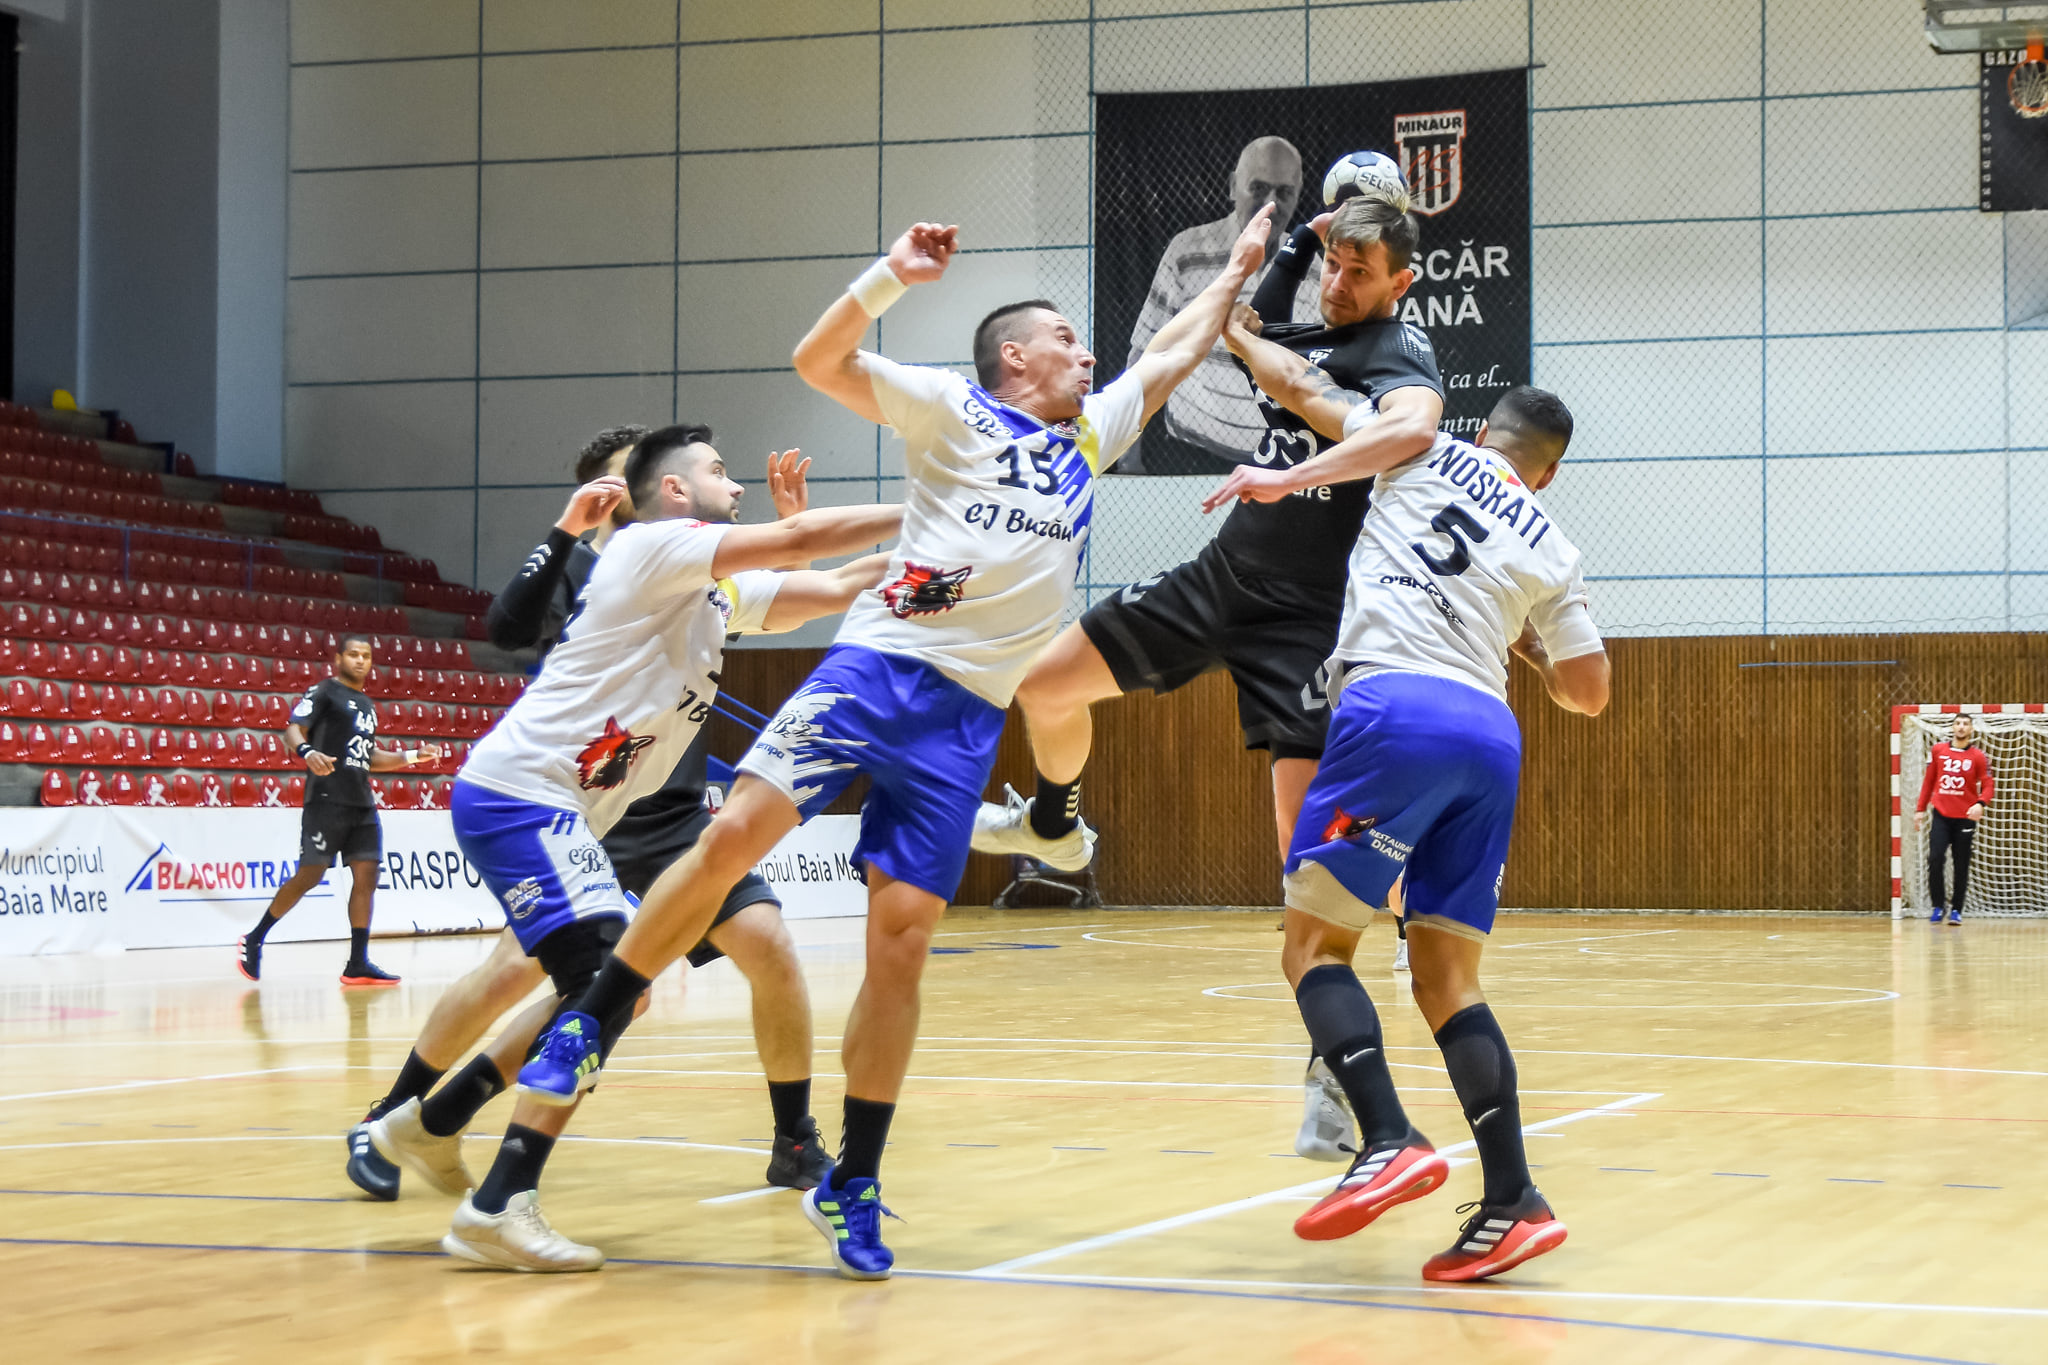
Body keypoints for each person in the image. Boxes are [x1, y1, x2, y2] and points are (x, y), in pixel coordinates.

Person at [512, 208, 1276, 1281]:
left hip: (965, 718)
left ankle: (855, 1177)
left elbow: (1170, 353)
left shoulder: (1088, 436)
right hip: (875, 669)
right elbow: (816, 360)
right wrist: (892, 275)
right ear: (1015, 358)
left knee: (903, 943)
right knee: (734, 835)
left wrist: (1237, 269)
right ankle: (589, 1022)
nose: (1086, 354)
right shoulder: (951, 407)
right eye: (1065, 339)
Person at [974, 190, 1444, 1153]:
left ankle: (1336, 1082)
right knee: (1046, 683)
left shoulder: (1401, 352)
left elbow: (1414, 431)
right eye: (1336, 265)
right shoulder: (1309, 326)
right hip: (1222, 577)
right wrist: (1290, 249)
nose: (1341, 283)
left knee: (1307, 882)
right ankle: (1055, 825)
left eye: (1361, 272)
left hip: (1310, 627)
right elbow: (1238, 327)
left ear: (1401, 282)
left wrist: (1290, 475)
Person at [427, 425, 898, 1271]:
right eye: (719, 469)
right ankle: (487, 1191)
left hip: (563, 807)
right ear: (675, 491)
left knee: (616, 990)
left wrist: (954, 550)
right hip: (523, 794)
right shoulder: (650, 545)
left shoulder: (707, 590)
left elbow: (829, 583)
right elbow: (798, 538)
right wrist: (929, 505)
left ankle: (445, 1138)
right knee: (597, 987)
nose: (737, 483)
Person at [344, 433, 834, 1201]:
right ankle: (397, 1112)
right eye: (623, 477)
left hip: (672, 808)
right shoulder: (599, 563)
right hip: (585, 802)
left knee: (766, 942)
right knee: (518, 974)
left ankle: (794, 1139)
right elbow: (509, 625)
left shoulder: (698, 562)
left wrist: (796, 539)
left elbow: (769, 602)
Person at [1203, 379, 1607, 1283]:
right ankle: (1514, 1199)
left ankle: (1387, 1135)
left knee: (1313, 946)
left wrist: (1245, 340)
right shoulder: (1554, 543)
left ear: (1480, 432)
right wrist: (1532, 650)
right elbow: (1590, 693)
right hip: (1490, 736)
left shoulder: (1423, 446)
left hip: (1396, 708)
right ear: (1548, 473)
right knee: (1449, 979)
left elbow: (1309, 394)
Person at [235, 635, 441, 986]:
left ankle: (357, 962)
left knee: (367, 876)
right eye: (353, 654)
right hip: (326, 800)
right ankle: (254, 937)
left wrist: (412, 756)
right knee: (310, 875)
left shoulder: (367, 705)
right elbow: (293, 729)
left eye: (366, 656)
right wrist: (307, 752)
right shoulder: (325, 692)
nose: (360, 660)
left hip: (362, 803)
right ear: (338, 659)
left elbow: (368, 756)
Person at [1126, 135, 1318, 469]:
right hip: (1189, 454)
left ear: (1299, 193)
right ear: (1232, 187)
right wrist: (1128, 451)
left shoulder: (1313, 267)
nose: (1271, 203)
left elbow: (1320, 369)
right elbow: (1143, 352)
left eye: (1284, 192)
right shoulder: (1186, 252)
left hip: (1280, 459)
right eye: (1258, 188)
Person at [1915, 713, 1993, 925]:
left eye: (1965, 724)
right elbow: (1929, 781)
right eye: (1958, 723)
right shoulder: (1939, 751)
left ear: (1971, 729)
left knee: (1961, 864)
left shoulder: (1978, 756)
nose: (1961, 727)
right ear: (1952, 727)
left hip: (1965, 818)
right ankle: (1938, 906)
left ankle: (1957, 909)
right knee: (1935, 858)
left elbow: (1988, 784)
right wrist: (1920, 809)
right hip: (1941, 815)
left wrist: (1981, 803)